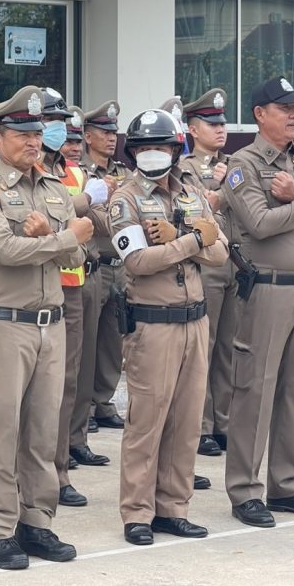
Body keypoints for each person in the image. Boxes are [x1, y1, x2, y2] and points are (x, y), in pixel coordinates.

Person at [0, 86, 93, 570]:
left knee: (43, 431)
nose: (33, 142)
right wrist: (61, 238)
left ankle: (36, 521)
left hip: (52, 323)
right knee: (2, 433)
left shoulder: (55, 189)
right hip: (8, 324)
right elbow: (4, 250)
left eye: (37, 133)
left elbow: (78, 258)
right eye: (22, 134)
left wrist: (55, 238)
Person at [221, 76, 294, 529]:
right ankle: (245, 490)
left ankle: (285, 485)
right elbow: (260, 223)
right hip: (267, 288)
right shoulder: (243, 164)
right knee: (256, 389)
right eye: (284, 108)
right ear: (260, 114)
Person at [110, 108, 227, 546]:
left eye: (160, 146)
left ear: (176, 151)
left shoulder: (192, 191)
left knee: (186, 421)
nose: (153, 153)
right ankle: (138, 512)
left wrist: (179, 237)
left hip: (195, 320)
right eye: (144, 147)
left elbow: (221, 252)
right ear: (133, 152)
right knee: (147, 422)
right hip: (152, 324)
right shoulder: (125, 199)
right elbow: (139, 262)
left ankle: (174, 508)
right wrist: (194, 239)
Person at [36, 89, 107, 509]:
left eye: (61, 121)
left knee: (66, 384)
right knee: (33, 391)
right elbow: (59, 214)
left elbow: (95, 221)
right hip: (36, 286)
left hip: (72, 285)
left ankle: (58, 471)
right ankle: (35, 473)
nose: (58, 128)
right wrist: (83, 203)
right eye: (51, 120)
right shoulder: (27, 170)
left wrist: (86, 204)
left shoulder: (73, 172)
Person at [179, 88, 235, 457]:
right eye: (211, 124)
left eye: (222, 123)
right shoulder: (185, 168)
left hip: (233, 263)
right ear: (193, 129)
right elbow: (199, 208)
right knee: (205, 348)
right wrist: (221, 186)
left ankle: (223, 422)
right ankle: (201, 427)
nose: (220, 129)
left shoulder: (233, 162)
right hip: (207, 264)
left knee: (229, 349)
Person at [77, 100, 129, 445]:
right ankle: (85, 407)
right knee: (88, 339)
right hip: (94, 263)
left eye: (113, 132)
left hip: (119, 264)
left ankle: (103, 400)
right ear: (87, 136)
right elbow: (90, 217)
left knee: (113, 339)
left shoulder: (123, 171)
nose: (111, 138)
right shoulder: (80, 172)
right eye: (104, 132)